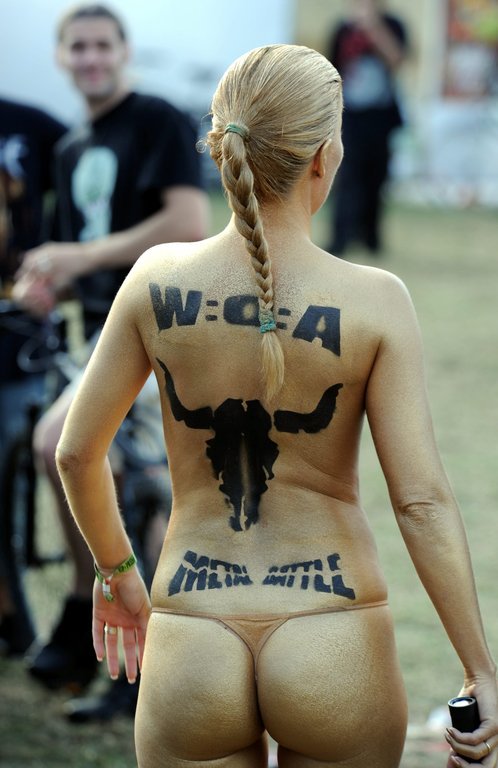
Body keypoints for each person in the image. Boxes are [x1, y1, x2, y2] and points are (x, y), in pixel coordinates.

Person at [55, 43, 498, 768]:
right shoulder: (375, 300)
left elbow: (77, 453)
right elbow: (419, 502)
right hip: (333, 627)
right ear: (325, 156)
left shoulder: (154, 279)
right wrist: (481, 670)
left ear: (219, 143)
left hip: (193, 626)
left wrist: (117, 572)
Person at [13, 1, 208, 712]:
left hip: (162, 327)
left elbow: (189, 225)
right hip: (99, 336)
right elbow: (86, 265)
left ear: (124, 51)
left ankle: (92, 614)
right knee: (116, 479)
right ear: (61, 57)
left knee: (62, 446)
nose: (91, 58)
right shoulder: (71, 147)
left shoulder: (158, 118)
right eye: (78, 47)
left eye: (103, 45)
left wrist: (81, 254)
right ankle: (117, 649)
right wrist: (50, 285)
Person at [0, 96, 67, 657]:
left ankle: (14, 616)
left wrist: (54, 271)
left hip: (16, 337)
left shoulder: (32, 124)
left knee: (11, 471)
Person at [326, 0, 408, 256]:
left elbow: (397, 60)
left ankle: (371, 237)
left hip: (381, 116)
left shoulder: (393, 25)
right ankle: (340, 237)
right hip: (350, 116)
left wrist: (373, 28)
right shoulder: (342, 29)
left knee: (377, 176)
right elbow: (331, 70)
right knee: (347, 176)